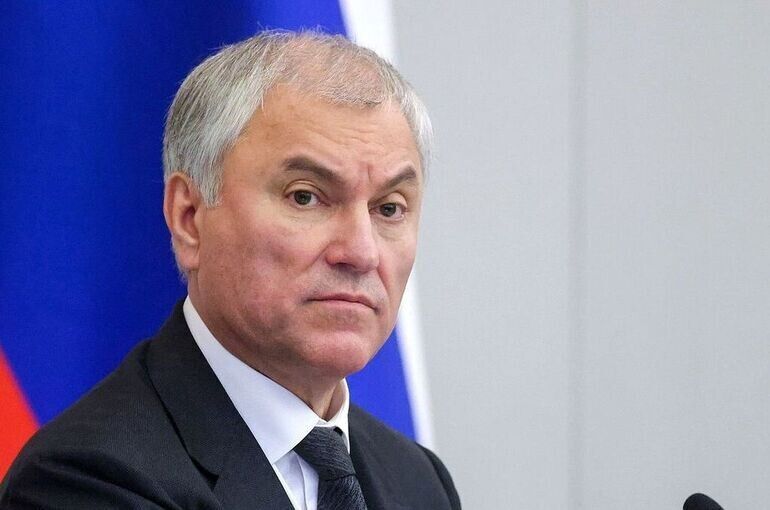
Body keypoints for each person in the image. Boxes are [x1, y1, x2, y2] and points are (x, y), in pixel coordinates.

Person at [0, 31, 461, 509]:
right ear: (190, 218)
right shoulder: (83, 480)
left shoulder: (419, 481)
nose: (362, 252)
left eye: (389, 208)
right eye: (305, 196)